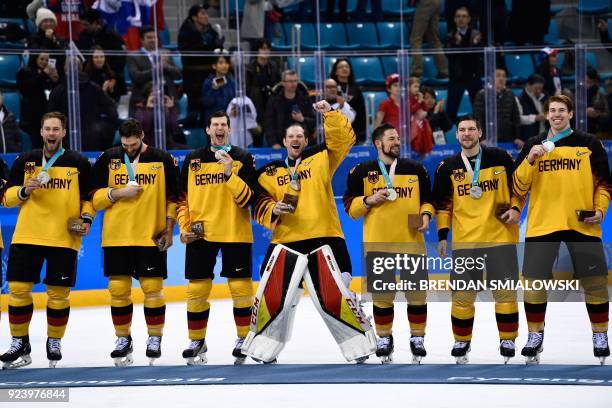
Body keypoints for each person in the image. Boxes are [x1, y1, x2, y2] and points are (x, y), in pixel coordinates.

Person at [252, 100, 370, 363]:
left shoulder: (321, 157)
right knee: (276, 297)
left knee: (339, 292)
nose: (295, 139)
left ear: (306, 141)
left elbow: (343, 139)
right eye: (291, 136)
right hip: (286, 241)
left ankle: (359, 343)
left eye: (300, 136)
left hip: (325, 235)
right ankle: (266, 348)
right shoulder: (267, 172)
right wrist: (274, 208)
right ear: (284, 141)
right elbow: (257, 202)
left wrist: (329, 113)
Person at [512, 95, 611, 365]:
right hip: (543, 224)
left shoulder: (589, 144)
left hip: (582, 224)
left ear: (569, 114)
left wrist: (600, 210)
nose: (556, 114)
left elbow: (605, 184)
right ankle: (535, 335)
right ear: (546, 115)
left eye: (561, 110)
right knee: (533, 283)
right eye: (552, 110)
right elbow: (517, 188)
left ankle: (600, 335)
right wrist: (530, 160)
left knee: (595, 282)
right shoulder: (533, 145)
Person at [0, 112, 94, 369]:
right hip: (27, 234)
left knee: (58, 295)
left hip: (63, 238)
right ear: (40, 132)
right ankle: (19, 341)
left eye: (56, 129)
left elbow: (89, 198)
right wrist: (23, 190)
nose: (51, 134)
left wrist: (86, 219)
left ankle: (54, 341)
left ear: (64, 132)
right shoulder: (26, 160)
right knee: (18, 291)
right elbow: (5, 197)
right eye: (47, 129)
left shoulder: (78, 162)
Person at [90, 119, 179, 366]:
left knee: (152, 289)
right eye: (125, 144)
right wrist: (117, 193)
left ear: (141, 136)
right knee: (118, 291)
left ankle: (154, 338)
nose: (129, 148)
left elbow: (175, 198)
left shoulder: (162, 159)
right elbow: (92, 198)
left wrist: (170, 229)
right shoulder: (108, 158)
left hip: (150, 236)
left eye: (133, 144)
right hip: (116, 236)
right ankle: (123, 339)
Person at [433, 115, 521, 364]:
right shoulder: (447, 166)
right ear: (457, 135)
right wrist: (442, 236)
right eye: (462, 130)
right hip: (465, 243)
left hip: (500, 239)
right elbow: (443, 206)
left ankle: (508, 339)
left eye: (471, 129)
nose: (467, 133)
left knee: (505, 294)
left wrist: (515, 209)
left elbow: (519, 188)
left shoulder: (501, 158)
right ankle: (462, 341)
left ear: (480, 132)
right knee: (462, 297)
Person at [343, 123, 433, 364]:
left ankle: (417, 337)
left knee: (416, 295)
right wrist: (369, 199)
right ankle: (384, 338)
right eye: (391, 138)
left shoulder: (417, 169)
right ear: (378, 144)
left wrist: (425, 216)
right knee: (382, 296)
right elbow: (350, 209)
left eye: (397, 138)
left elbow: (427, 201)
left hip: (411, 242)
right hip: (378, 243)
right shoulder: (360, 171)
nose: (396, 142)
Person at [177, 111, 257, 365]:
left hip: (235, 230)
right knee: (196, 290)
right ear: (208, 130)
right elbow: (182, 200)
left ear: (229, 130)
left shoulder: (243, 158)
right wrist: (183, 227)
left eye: (224, 125)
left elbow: (248, 199)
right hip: (201, 234)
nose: (219, 128)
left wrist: (228, 172)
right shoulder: (192, 159)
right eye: (215, 125)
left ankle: (244, 339)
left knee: (240, 290)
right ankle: (196, 340)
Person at [47, 58, 118, 151]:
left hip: (65, 145)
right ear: (81, 68)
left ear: (65, 68)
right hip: (93, 142)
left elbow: (50, 120)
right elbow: (112, 112)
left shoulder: (57, 91)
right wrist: (103, 134)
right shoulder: (95, 88)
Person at [178, 4, 224, 126]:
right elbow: (189, 52)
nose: (206, 16)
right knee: (194, 108)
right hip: (193, 77)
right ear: (194, 17)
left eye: (206, 13)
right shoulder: (185, 31)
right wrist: (210, 47)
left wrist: (219, 44)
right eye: (203, 13)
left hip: (209, 74)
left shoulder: (211, 31)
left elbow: (217, 49)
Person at [127, 26, 182, 115]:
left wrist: (165, 65)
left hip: (167, 99)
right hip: (143, 99)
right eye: (149, 37)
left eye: (155, 37)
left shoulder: (166, 53)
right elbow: (136, 77)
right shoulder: (133, 56)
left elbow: (178, 75)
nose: (153, 40)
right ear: (141, 40)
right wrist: (155, 69)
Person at [446, 6, 483, 121]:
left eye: (464, 16)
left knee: (479, 110)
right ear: (454, 19)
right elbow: (449, 55)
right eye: (458, 16)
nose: (461, 19)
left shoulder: (476, 34)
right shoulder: (450, 36)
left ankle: (482, 135)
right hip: (457, 78)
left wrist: (476, 45)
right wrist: (456, 44)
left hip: (473, 76)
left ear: (469, 19)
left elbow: (480, 55)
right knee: (451, 110)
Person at [16, 53, 60, 149]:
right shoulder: (25, 72)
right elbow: (26, 88)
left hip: (47, 116)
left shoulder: (48, 73)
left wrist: (55, 80)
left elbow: (54, 92)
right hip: (32, 118)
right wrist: (44, 74)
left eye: (47, 60)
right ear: (35, 58)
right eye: (42, 59)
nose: (44, 62)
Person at [264, 70, 315, 148]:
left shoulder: (305, 99)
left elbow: (314, 121)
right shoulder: (274, 100)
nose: (293, 84)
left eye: (295, 81)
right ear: (283, 83)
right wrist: (273, 142)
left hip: (302, 143)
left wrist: (302, 119)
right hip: (280, 142)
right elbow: (269, 123)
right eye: (290, 81)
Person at [245, 39, 281, 146]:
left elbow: (279, 87)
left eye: (267, 49)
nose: (266, 51)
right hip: (256, 110)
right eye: (263, 48)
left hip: (271, 108)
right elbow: (247, 92)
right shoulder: (249, 69)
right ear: (257, 51)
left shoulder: (274, 67)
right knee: (257, 140)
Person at [473, 68, 521, 146]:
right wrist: (482, 138)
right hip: (488, 139)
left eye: (504, 76)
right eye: (498, 75)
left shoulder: (510, 93)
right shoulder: (482, 94)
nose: (501, 78)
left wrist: (517, 137)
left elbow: (516, 117)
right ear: (491, 79)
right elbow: (478, 118)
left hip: (508, 138)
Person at [330, 58, 367, 143]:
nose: (344, 68)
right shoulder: (331, 87)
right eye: (341, 67)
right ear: (335, 71)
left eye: (347, 67)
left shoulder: (356, 89)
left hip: (354, 132)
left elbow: (361, 112)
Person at [410, 0, 448, 79]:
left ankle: (416, 71)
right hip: (437, 2)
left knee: (415, 38)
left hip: (425, 2)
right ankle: (443, 69)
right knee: (433, 37)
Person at [201, 53, 235, 128]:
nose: (224, 65)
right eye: (221, 62)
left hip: (229, 122)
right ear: (214, 66)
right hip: (213, 122)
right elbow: (206, 103)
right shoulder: (208, 82)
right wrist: (214, 89)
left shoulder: (232, 81)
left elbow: (235, 101)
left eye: (226, 63)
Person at [517, 74, 547, 144]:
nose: (539, 91)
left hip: (544, 138)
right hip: (527, 139)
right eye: (536, 88)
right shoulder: (519, 99)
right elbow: (518, 119)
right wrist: (535, 118)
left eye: (541, 88)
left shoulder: (545, 96)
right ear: (528, 85)